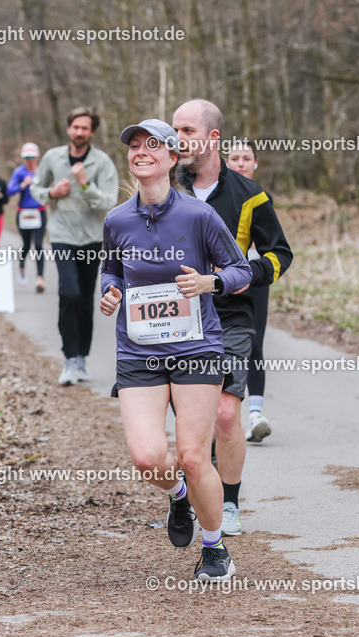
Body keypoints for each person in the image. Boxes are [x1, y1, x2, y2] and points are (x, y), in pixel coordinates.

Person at [99, 119, 252, 580]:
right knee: (147, 457)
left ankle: (215, 548)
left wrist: (211, 282)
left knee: (192, 454)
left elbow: (241, 270)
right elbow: (110, 270)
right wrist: (109, 291)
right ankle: (179, 496)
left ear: (170, 157)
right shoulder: (117, 220)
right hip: (139, 351)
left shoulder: (198, 216)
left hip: (196, 349)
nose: (140, 151)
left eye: (152, 145)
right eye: (134, 146)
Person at [172, 100, 293, 536]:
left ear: (213, 137)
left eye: (187, 130)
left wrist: (246, 277)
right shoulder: (166, 188)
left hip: (230, 316)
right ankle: (191, 500)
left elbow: (280, 254)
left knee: (225, 414)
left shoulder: (249, 194)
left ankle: (230, 504)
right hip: (177, 319)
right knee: (193, 419)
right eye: (175, 130)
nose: (178, 139)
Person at [31, 107, 120, 386]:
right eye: (75, 127)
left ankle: (82, 357)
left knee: (84, 298)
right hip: (61, 234)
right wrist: (52, 192)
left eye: (85, 128)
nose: (79, 132)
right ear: (69, 129)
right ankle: (69, 358)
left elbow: (109, 201)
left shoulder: (101, 162)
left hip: (92, 237)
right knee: (69, 293)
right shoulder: (52, 157)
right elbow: (35, 188)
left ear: (92, 132)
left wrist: (84, 184)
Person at [226, 139, 272, 443]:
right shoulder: (215, 196)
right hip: (220, 280)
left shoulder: (261, 198)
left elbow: (274, 245)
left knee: (255, 343)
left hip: (254, 280)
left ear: (255, 163)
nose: (241, 163)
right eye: (235, 158)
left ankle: (255, 415)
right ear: (226, 162)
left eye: (246, 158)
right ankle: (223, 416)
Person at [7, 142, 47, 293]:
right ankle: (22, 266)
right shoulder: (19, 172)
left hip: (39, 212)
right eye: (27, 157)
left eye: (32, 157)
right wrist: (23, 185)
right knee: (26, 245)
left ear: (37, 157)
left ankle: (40, 279)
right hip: (23, 213)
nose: (30, 160)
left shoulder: (43, 171)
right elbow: (9, 191)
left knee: (38, 245)